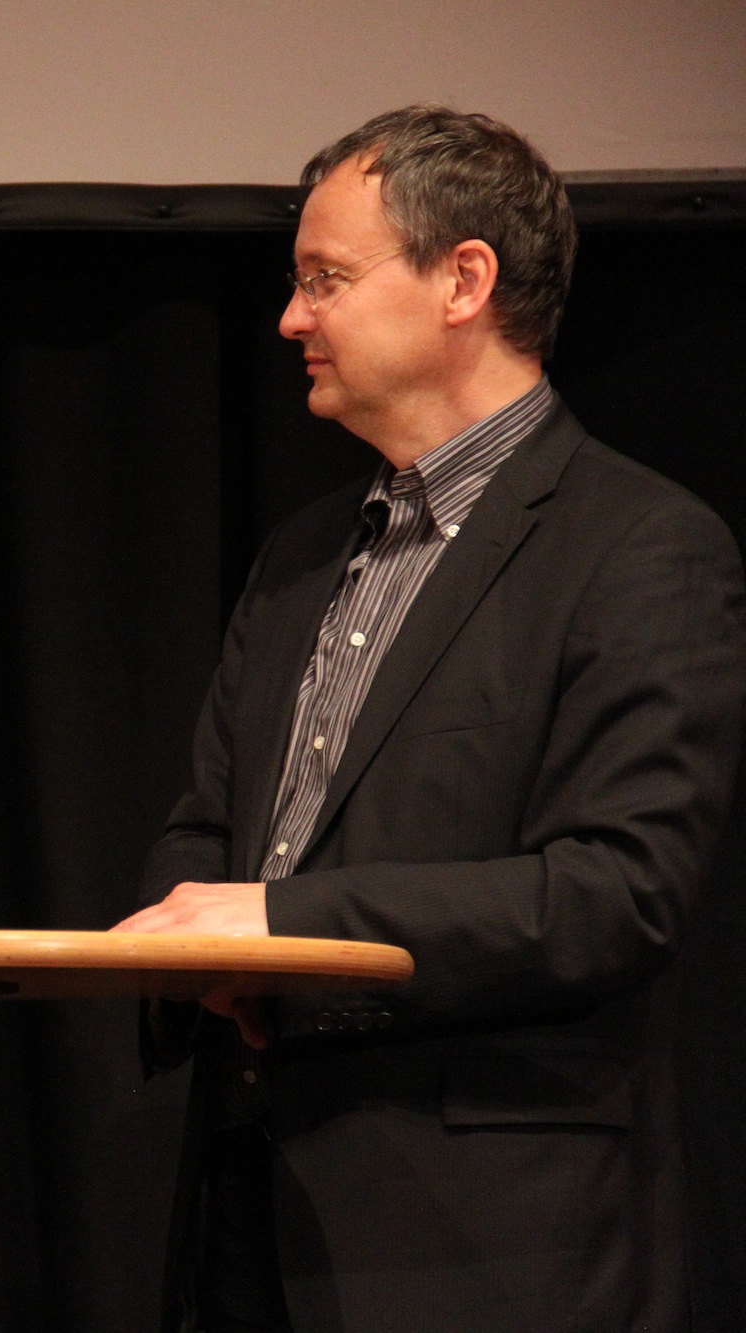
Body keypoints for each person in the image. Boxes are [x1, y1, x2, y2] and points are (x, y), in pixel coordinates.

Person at [114, 106, 746, 1332]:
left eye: (323, 279)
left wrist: (282, 929)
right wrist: (193, 948)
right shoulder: (301, 555)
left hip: (481, 1247)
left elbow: (614, 894)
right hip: (247, 1208)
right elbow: (203, 830)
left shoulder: (638, 547)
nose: (289, 318)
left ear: (463, 280)